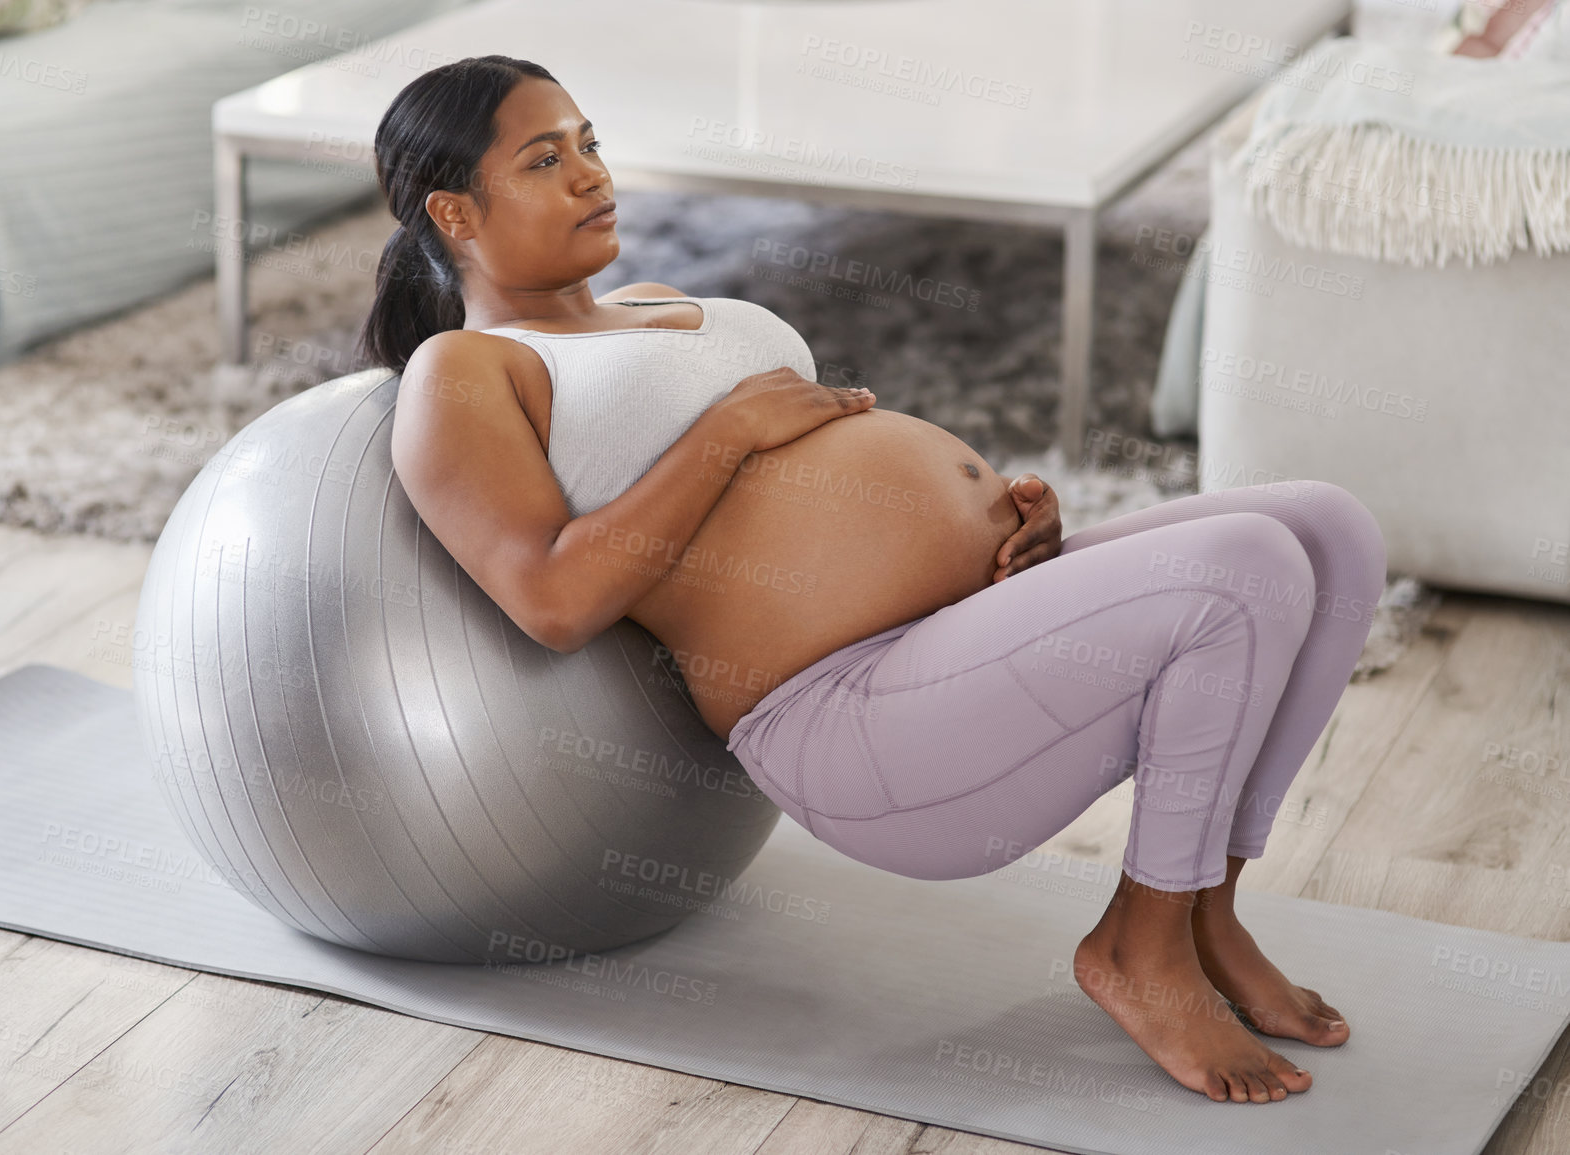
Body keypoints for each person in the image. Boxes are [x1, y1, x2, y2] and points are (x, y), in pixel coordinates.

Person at [363, 55, 1386, 1106]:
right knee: (1243, 565)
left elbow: (826, 479)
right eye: (545, 158)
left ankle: (1208, 905)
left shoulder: (658, 299)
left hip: (959, 631)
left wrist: (992, 522)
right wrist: (725, 434)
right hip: (851, 722)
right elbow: (552, 601)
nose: (590, 174)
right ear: (455, 213)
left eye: (590, 143)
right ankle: (1142, 944)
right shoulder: (466, 372)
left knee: (1324, 525)